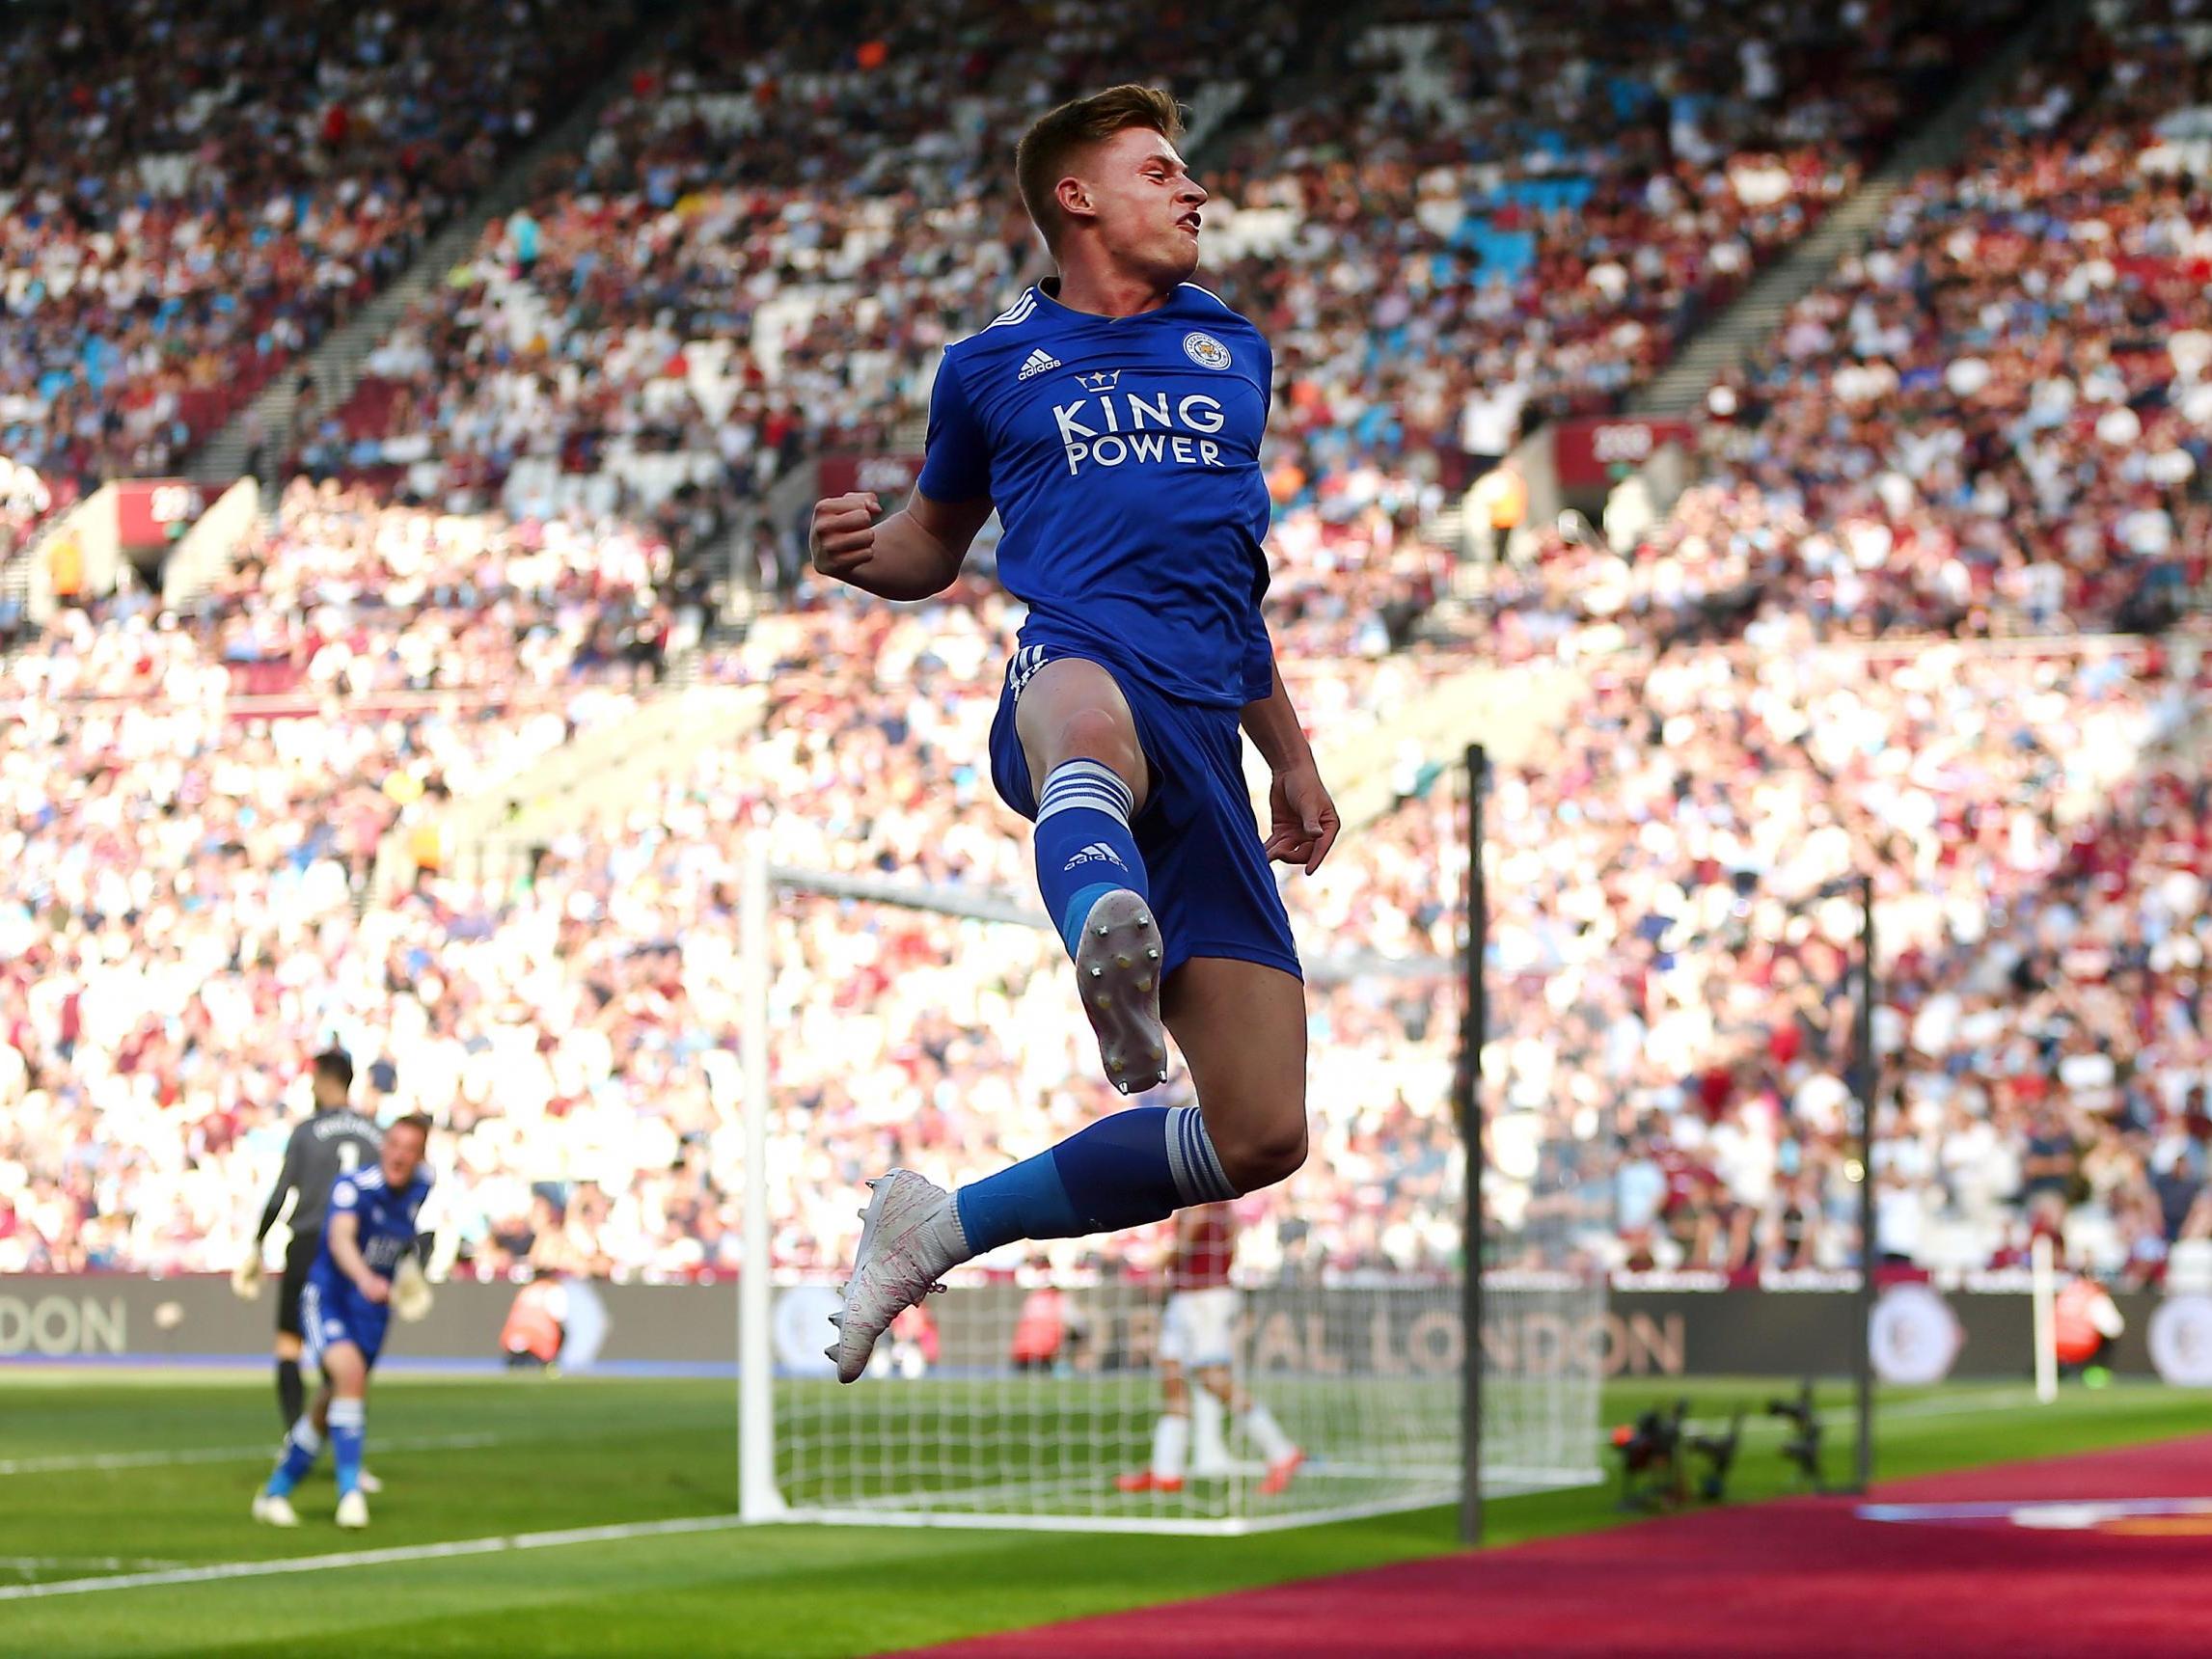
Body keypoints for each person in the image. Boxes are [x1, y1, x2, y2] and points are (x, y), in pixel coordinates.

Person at [811, 85, 1339, 1383]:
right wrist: (855, 555)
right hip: (1074, 668)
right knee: (1084, 721)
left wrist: (1291, 754)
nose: (1193, 192)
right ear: (1076, 198)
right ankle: (1106, 931)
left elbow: (1231, 577)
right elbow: (929, 544)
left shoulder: (1232, 350)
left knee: (1265, 1132)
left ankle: (936, 1226)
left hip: (1209, 728)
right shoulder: (990, 364)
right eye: (1161, 172)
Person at [252, 1114, 436, 1530]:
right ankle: (350, 1493)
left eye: (410, 1149)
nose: (399, 1155)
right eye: (394, 1145)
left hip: (372, 1311)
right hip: (330, 1297)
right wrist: (365, 1276)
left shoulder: (423, 1186)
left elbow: (417, 1232)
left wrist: (412, 1266)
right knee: (349, 1376)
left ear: (420, 1156)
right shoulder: (354, 1187)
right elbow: (339, 1239)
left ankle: (274, 1494)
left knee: (329, 1403)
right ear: (383, 1146)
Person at [233, 1049, 383, 1437]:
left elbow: (281, 1193)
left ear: (325, 1080)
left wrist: (257, 1243)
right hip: (354, 1251)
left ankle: (294, 1436)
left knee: (289, 1343)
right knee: (344, 1349)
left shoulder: (306, 1132)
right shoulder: (375, 1135)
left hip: (308, 1243)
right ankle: (338, 1434)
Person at [1116, 1203, 1300, 1495]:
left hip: (1203, 1300)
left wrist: (1154, 1264)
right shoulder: (1221, 1205)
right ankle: (1166, 1471)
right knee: (1172, 1377)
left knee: (1213, 1380)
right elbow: (1232, 1239)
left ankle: (1282, 1452)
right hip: (1188, 1297)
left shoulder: (1203, 1200)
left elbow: (1187, 1240)